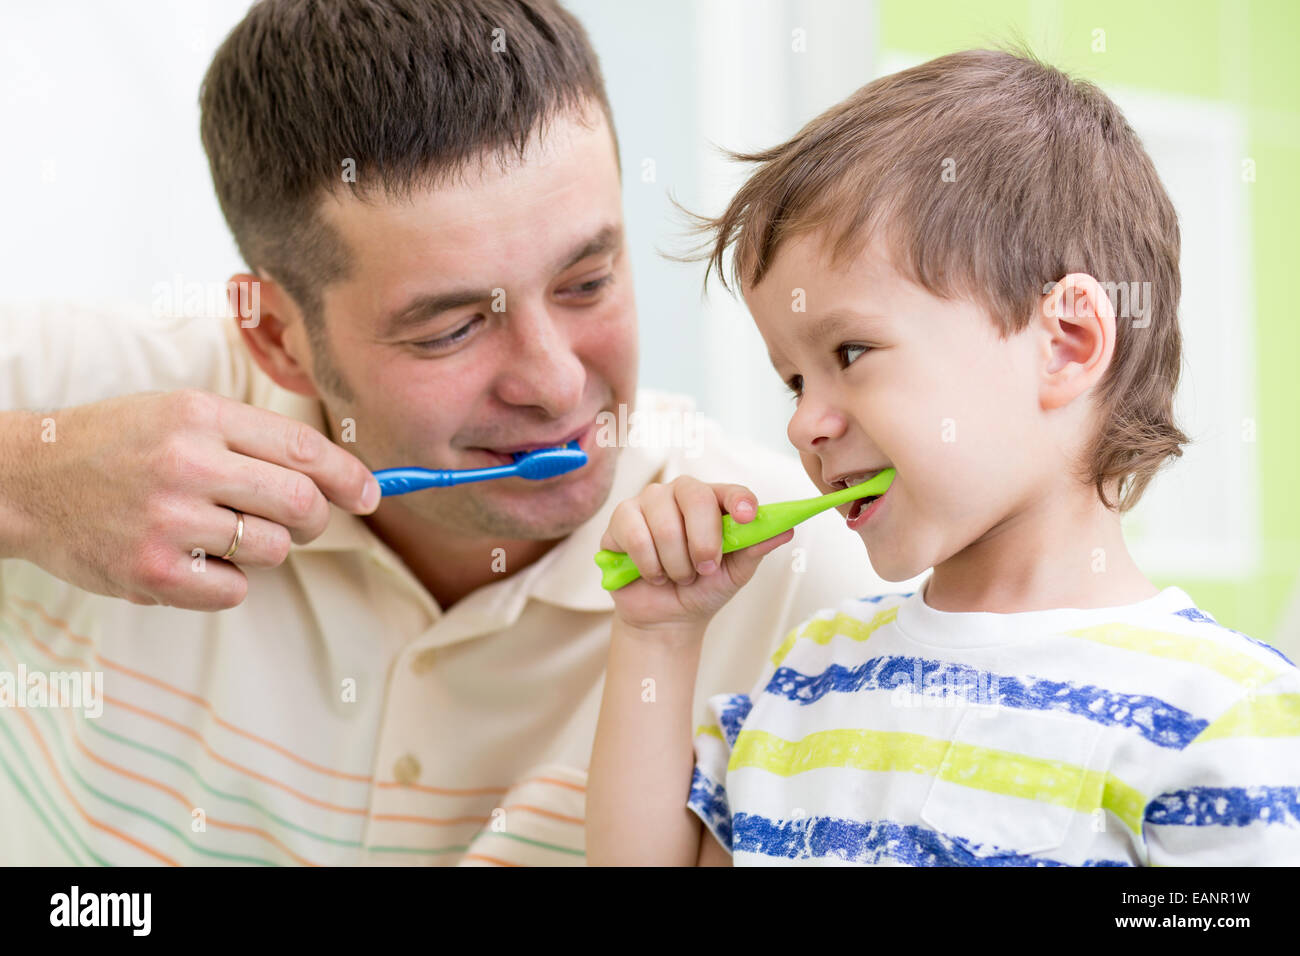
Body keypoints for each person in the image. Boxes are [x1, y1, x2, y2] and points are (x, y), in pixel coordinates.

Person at [0, 0, 901, 866]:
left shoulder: (807, 591)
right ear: (279, 337)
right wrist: (27, 489)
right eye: (451, 330)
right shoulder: (83, 408)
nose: (554, 384)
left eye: (588, 282)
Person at [585, 48, 1300, 866]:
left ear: (1065, 344)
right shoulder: (813, 674)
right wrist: (659, 636)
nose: (804, 426)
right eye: (792, 381)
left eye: (850, 352)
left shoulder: (1224, 717)